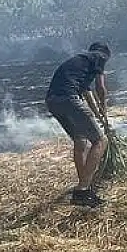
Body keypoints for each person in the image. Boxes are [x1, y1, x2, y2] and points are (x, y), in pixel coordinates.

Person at [44, 42, 112, 207]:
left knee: (81, 141)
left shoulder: (81, 65)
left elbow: (88, 95)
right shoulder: (99, 57)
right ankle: (82, 191)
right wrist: (104, 109)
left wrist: (99, 115)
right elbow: (100, 88)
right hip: (68, 98)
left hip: (52, 101)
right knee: (100, 141)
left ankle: (84, 184)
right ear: (105, 54)